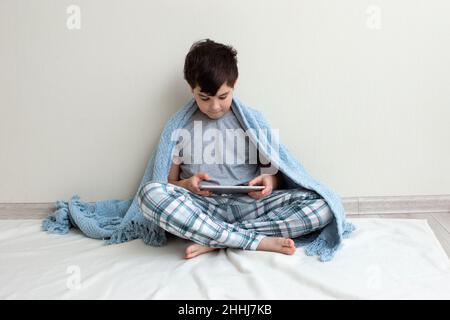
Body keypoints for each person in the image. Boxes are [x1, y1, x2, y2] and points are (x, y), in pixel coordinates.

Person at [138, 39, 333, 259]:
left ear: (234, 84)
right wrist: (187, 185)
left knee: (323, 205)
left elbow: (274, 176)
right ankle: (248, 240)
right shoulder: (180, 126)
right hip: (202, 207)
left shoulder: (250, 121)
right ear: (191, 89)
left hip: (248, 206)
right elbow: (169, 184)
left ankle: (216, 239)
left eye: (223, 97)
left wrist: (268, 183)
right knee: (149, 194)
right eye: (205, 98)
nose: (215, 106)